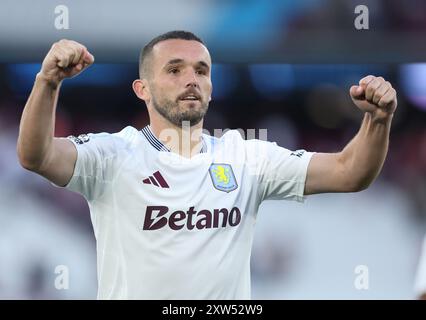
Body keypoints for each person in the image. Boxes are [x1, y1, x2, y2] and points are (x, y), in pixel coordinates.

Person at [17, 30, 397, 299]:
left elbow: (351, 172)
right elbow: (37, 156)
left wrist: (378, 120)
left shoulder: (247, 157)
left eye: (201, 71)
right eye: (174, 69)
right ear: (142, 89)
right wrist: (48, 81)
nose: (191, 80)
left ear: (212, 87)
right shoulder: (113, 155)